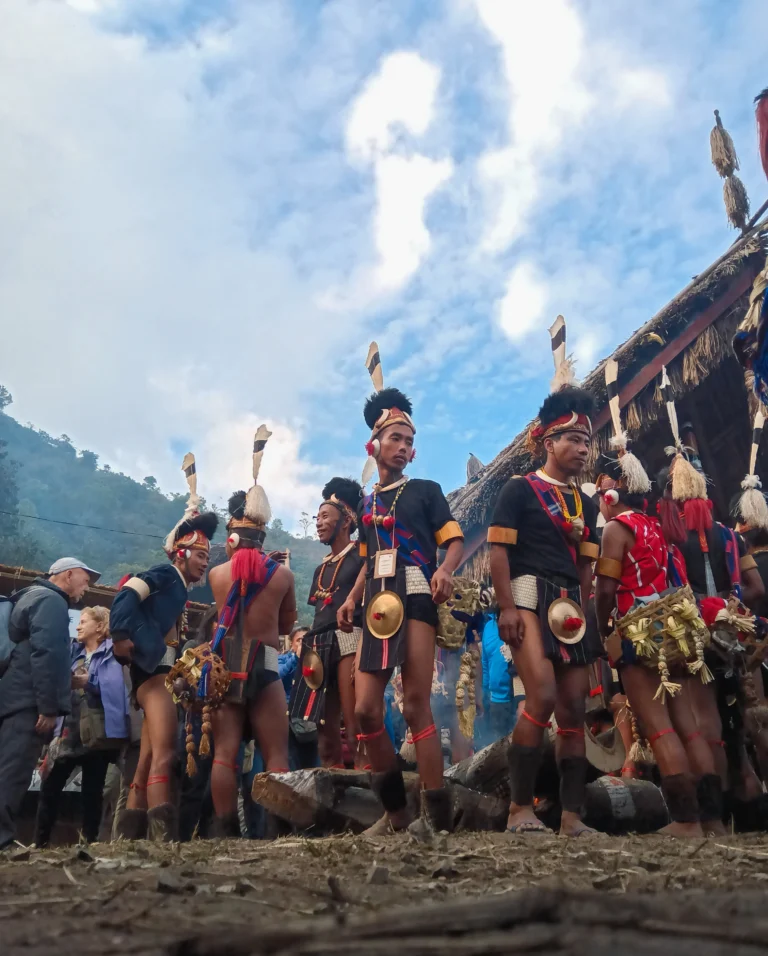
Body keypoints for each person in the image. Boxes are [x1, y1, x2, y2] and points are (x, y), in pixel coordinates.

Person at [338, 361, 464, 835]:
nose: (405, 448)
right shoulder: (368, 507)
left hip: (414, 595)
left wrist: (446, 571)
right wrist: (350, 599)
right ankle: (395, 815)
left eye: (410, 442)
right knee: (367, 710)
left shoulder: (426, 491)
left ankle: (435, 819)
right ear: (374, 444)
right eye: (396, 439)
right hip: (375, 602)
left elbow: (451, 540)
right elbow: (370, 560)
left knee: (415, 705)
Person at [488, 370, 601, 835]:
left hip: (570, 606)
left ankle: (572, 817)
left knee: (575, 707)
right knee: (543, 695)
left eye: (587, 442)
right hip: (529, 599)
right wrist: (507, 607)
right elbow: (498, 552)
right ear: (548, 442)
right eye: (573, 439)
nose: (582, 449)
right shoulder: (518, 489)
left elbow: (587, 568)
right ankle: (520, 809)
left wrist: (584, 612)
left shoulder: (588, 506)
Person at [593, 454, 723, 837]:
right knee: (690, 728)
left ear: (613, 494)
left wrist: (603, 628)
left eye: (602, 491)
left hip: (640, 634)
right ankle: (713, 820)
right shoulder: (655, 525)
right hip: (677, 631)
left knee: (659, 728)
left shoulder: (616, 529)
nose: (600, 498)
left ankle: (686, 822)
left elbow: (605, 589)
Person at [110, 453, 217, 841]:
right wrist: (123, 636)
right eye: (202, 555)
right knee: (166, 752)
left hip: (157, 672)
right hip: (151, 675)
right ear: (182, 553)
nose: (205, 564)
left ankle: (130, 836)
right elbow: (124, 596)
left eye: (208, 556)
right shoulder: (164, 576)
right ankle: (160, 838)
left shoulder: (178, 590)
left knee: (145, 761)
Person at [206, 426, 296, 838]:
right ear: (263, 535)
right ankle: (276, 832)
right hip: (264, 660)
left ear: (231, 538)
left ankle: (224, 833)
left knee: (224, 752)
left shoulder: (217, 575)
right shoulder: (283, 576)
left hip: (225, 665)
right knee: (276, 752)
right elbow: (287, 626)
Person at [0, 557, 99, 849]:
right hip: (27, 703)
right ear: (68, 575)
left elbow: (35, 653)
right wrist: (48, 707)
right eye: (85, 579)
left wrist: (63, 681)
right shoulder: (52, 601)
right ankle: (2, 841)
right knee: (13, 772)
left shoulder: (30, 596)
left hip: (14, 696)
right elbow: (46, 654)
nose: (87, 587)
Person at [35, 606, 130, 846]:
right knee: (51, 785)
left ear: (99, 626)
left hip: (96, 732)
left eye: (83, 621)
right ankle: (41, 841)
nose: (78, 626)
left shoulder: (112, 653)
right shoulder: (72, 652)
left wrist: (89, 683)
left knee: (92, 789)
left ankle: (89, 841)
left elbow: (116, 687)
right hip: (69, 730)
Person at [289, 478, 365, 769]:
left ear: (346, 521)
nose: (318, 523)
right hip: (317, 644)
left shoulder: (363, 555)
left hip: (348, 638)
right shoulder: (321, 567)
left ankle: (366, 790)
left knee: (355, 722)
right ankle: (333, 793)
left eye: (325, 517)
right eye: (317, 517)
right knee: (324, 731)